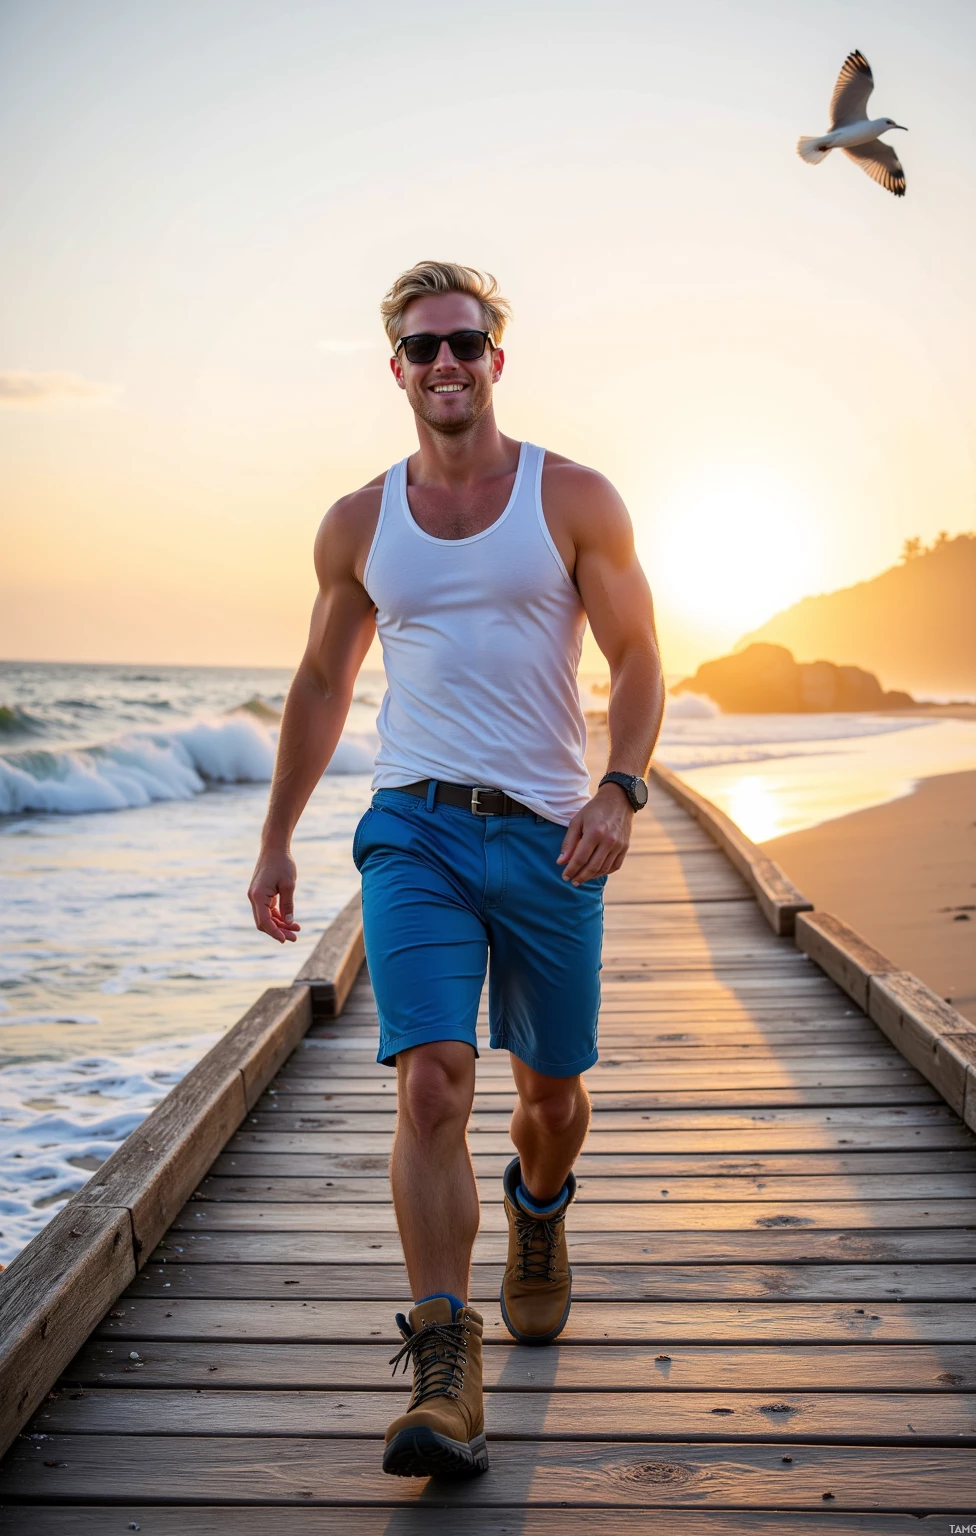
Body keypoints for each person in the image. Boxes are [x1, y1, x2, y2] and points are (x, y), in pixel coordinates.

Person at [248, 260, 664, 1480]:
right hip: (413, 828)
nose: (446, 364)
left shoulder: (573, 496)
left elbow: (640, 656)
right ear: (396, 370)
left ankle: (538, 1213)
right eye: (423, 348)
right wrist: (275, 836)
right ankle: (443, 1370)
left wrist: (620, 787)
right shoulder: (357, 522)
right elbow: (324, 683)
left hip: (550, 834)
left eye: (464, 343)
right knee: (431, 1081)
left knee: (548, 1102)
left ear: (495, 359)